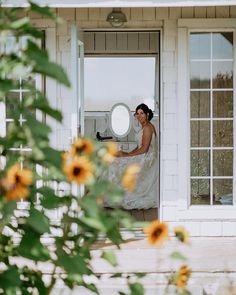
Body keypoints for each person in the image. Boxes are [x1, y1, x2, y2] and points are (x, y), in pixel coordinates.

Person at [105, 103, 158, 210]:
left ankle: (114, 194)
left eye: (142, 113)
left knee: (118, 164)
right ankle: (110, 192)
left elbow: (144, 149)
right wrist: (127, 153)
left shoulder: (148, 127)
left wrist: (129, 155)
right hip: (144, 156)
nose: (139, 116)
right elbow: (139, 147)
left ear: (147, 114)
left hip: (148, 159)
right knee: (116, 158)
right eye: (137, 114)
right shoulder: (144, 127)